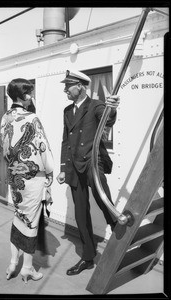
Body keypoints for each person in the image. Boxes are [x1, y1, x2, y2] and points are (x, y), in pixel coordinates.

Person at [57, 70, 120, 276]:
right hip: (74, 167)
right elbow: (65, 141)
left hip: (93, 163)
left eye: (69, 86)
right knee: (81, 215)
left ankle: (122, 236)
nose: (65, 89)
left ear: (81, 87)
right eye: (65, 86)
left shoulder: (96, 105)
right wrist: (63, 169)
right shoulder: (67, 111)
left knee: (105, 202)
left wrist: (112, 106)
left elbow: (107, 119)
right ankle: (87, 258)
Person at [0, 78, 54, 283]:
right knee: (31, 222)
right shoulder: (32, 119)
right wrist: (49, 172)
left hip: (14, 176)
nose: (31, 97)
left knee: (18, 215)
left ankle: (13, 261)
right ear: (21, 96)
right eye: (28, 94)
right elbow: (44, 150)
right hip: (32, 178)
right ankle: (28, 268)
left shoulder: (5, 118)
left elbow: (5, 148)